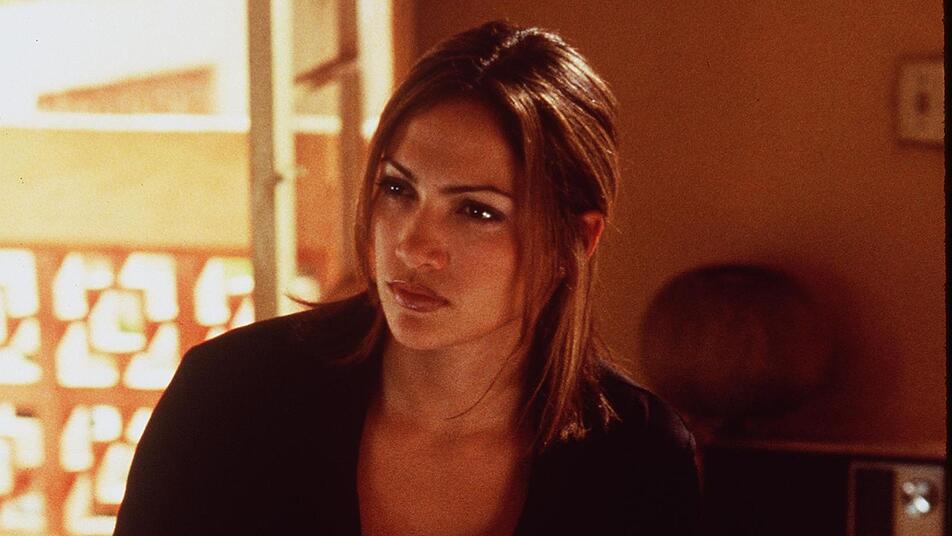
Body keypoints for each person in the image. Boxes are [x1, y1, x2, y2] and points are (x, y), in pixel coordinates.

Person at [115, 20, 699, 535]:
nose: (413, 247)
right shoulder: (227, 399)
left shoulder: (639, 459)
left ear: (576, 241)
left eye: (477, 211)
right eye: (398, 188)